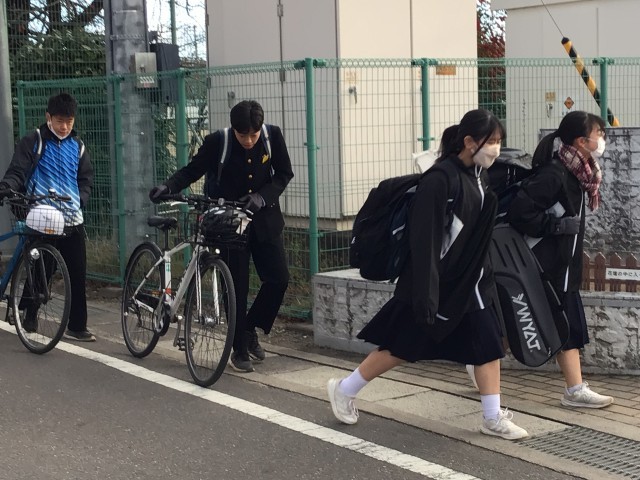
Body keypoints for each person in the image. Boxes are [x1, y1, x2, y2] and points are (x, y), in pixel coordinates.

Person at [327, 109, 529, 441]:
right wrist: (427, 292)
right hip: (435, 283)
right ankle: (345, 389)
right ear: (469, 142)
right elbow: (425, 241)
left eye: (498, 141)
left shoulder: (479, 176)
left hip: (470, 283)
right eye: (491, 141)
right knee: (401, 345)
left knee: (488, 344)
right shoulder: (440, 180)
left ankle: (492, 416)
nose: (496, 148)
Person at [149, 100, 294, 373]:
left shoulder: (272, 136)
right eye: (243, 135)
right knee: (236, 287)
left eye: (253, 135)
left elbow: (284, 174)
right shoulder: (219, 141)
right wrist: (167, 186)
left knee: (279, 279)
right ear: (233, 129)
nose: (249, 141)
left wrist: (262, 197)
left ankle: (249, 328)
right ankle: (239, 349)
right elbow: (193, 170)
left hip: (264, 221)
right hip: (227, 223)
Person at [505, 111, 614, 409]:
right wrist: (556, 226)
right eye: (599, 133)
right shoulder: (555, 174)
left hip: (563, 268)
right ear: (581, 141)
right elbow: (519, 213)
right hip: (546, 267)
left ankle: (481, 363)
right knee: (560, 325)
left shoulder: (579, 174)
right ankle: (574, 390)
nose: (602, 139)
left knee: (532, 323)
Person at [0, 92, 95, 341]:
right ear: (48, 117)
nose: (64, 127)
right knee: (42, 266)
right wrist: (7, 186)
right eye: (59, 121)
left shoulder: (78, 147)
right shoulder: (34, 141)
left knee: (77, 271)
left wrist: (80, 199)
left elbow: (86, 180)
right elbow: (17, 171)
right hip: (41, 214)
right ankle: (29, 314)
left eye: (69, 121)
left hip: (72, 217)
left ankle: (77, 326)